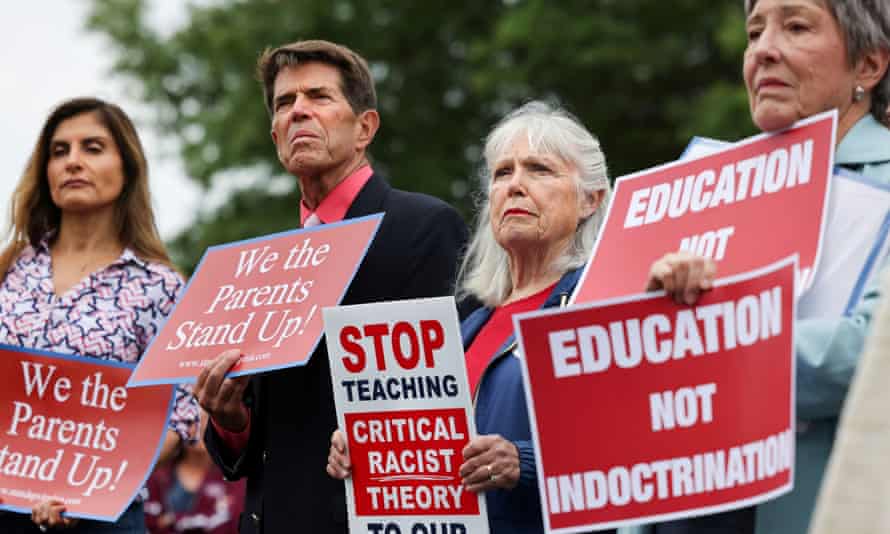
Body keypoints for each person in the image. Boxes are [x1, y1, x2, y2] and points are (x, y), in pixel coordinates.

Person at [635, 1, 890, 533]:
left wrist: (706, 336)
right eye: (755, 32)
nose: (763, 50)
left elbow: (873, 358)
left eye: (795, 26)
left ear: (868, 65)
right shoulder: (697, 192)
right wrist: (648, 317)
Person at [195, 40, 468, 534]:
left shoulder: (423, 227)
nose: (299, 111)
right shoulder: (261, 267)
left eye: (318, 97)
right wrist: (230, 418)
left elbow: (451, 398)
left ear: (365, 127)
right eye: (284, 103)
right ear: (274, 133)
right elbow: (248, 447)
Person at [328, 100, 619, 533]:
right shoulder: (467, 326)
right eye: (503, 173)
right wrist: (371, 450)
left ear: (591, 200)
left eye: (539, 169)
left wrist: (524, 462)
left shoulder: (603, 305)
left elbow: (638, 453)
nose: (515, 186)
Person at [0, 97, 200, 533]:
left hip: (103, 516)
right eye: (59, 151)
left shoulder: (160, 286)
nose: (73, 161)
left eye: (92, 148)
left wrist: (93, 485)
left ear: (126, 168)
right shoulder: (8, 271)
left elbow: (181, 414)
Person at [144, 411, 245, 533]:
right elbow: (148, 522)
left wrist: (173, 520)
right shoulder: (158, 474)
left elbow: (228, 524)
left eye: (208, 422)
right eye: (191, 422)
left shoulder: (232, 476)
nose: (201, 427)